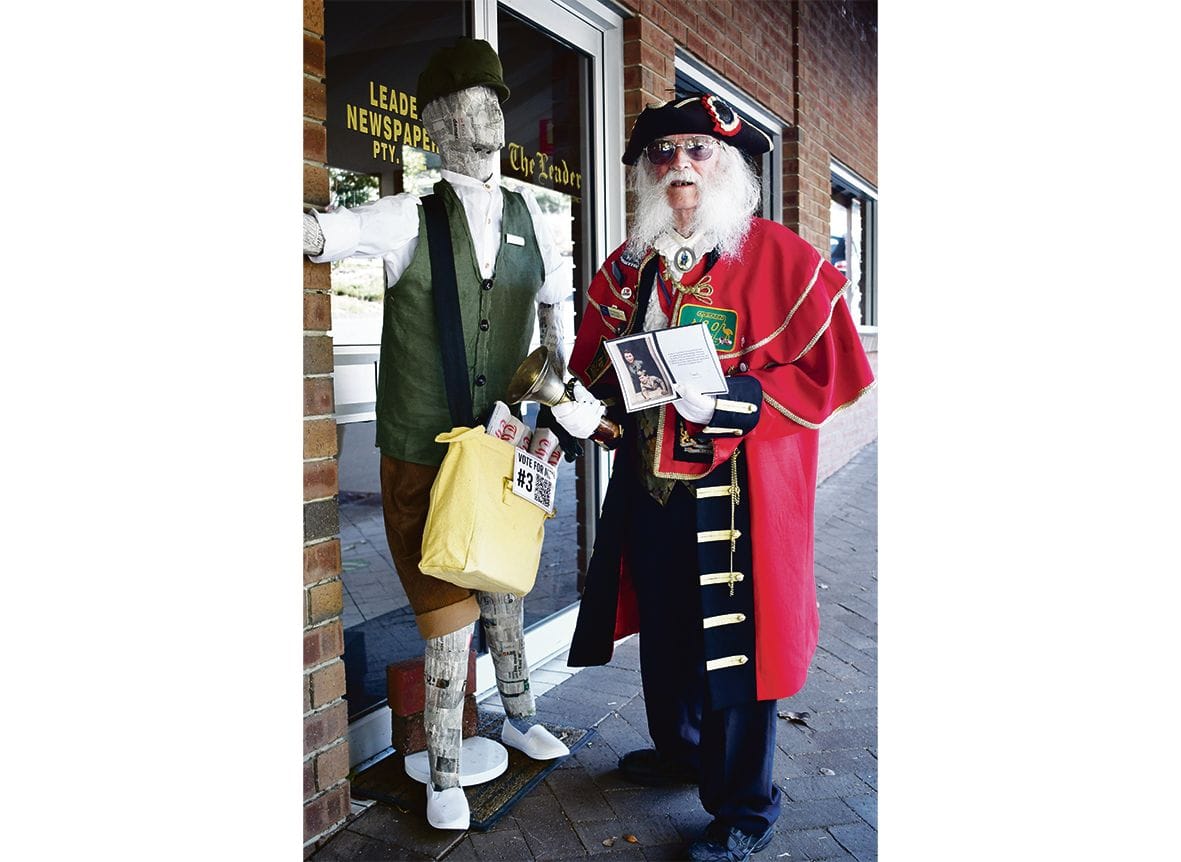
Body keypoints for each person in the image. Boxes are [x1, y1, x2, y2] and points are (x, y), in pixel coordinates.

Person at [550, 94, 876, 862]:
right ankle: (681, 750)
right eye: (662, 156)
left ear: (726, 166)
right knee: (666, 630)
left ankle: (744, 807)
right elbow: (596, 368)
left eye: (696, 151)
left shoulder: (780, 257)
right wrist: (575, 411)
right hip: (650, 488)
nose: (679, 168)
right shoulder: (628, 265)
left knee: (736, 646)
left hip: (739, 495)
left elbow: (835, 373)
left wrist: (741, 396)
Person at [303, 38, 571, 831]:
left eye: (493, 99)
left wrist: (560, 399)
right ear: (435, 122)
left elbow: (557, 318)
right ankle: (446, 773)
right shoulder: (403, 216)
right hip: (422, 458)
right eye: (467, 102)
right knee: (449, 623)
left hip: (503, 451)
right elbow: (323, 234)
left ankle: (519, 716)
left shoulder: (534, 216)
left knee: (507, 592)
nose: (487, 113)